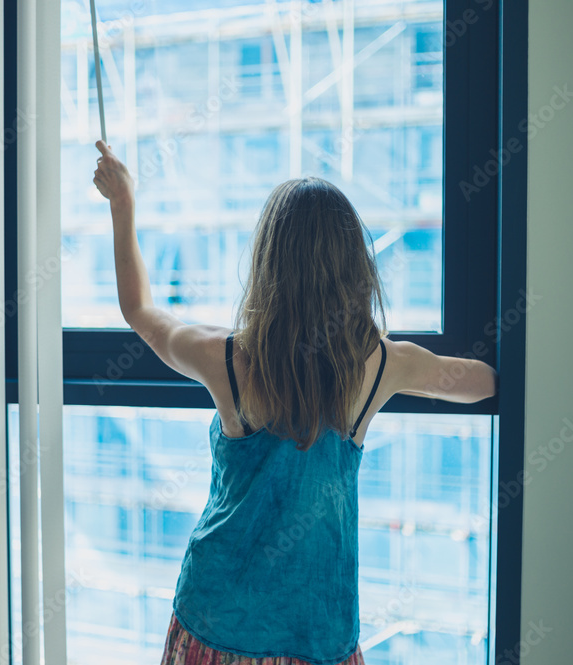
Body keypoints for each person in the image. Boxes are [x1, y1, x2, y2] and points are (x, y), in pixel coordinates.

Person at [93, 139, 498, 665]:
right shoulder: (380, 365)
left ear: (268, 263)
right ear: (354, 269)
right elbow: (482, 382)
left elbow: (142, 312)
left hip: (215, 621)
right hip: (319, 633)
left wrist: (123, 206)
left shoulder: (229, 360)